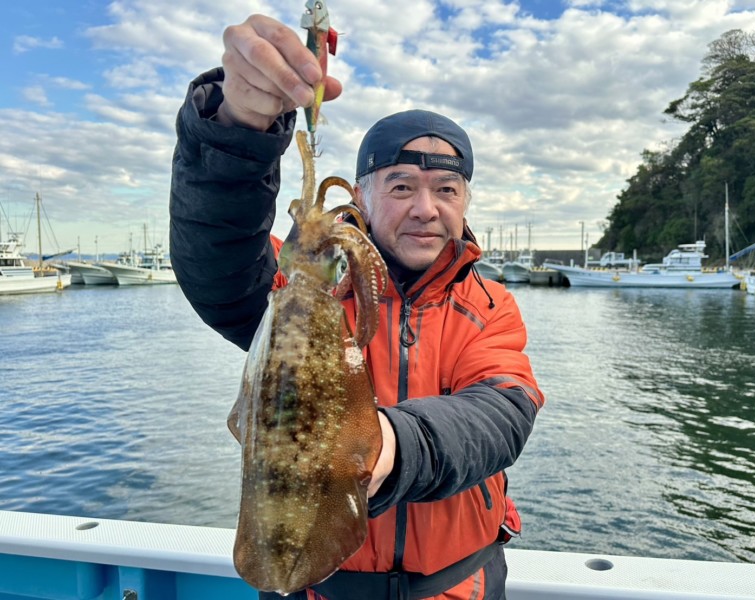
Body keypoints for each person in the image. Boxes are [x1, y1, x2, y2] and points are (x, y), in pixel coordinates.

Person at [169, 13, 544, 600]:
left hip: (458, 587)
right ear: (362, 197)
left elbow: (500, 417)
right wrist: (237, 127)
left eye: (446, 190)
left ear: (465, 201)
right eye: (401, 186)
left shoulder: (490, 307)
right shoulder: (301, 288)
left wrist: (388, 444)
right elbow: (218, 256)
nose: (425, 209)